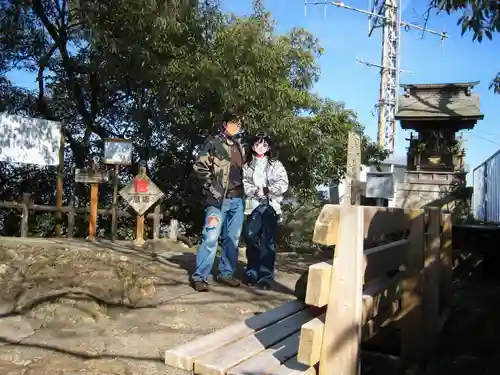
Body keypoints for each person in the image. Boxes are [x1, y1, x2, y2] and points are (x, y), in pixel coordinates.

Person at [190, 109, 246, 292]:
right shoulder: (213, 143)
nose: (235, 127)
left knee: (232, 239)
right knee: (211, 237)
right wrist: (211, 188)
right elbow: (200, 166)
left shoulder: (240, 146)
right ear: (224, 124)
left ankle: (226, 273)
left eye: (238, 124)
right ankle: (199, 277)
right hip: (218, 200)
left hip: (238, 200)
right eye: (232, 123)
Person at [242, 133, 289, 289]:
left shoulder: (276, 164)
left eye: (264, 145)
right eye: (257, 144)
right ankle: (252, 271)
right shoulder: (247, 164)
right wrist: (256, 192)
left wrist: (268, 190)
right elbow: (245, 183)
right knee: (250, 236)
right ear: (253, 146)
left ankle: (266, 275)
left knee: (268, 242)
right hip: (253, 205)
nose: (260, 147)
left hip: (271, 205)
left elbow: (283, 184)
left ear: (268, 147)